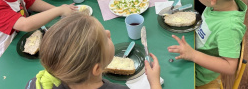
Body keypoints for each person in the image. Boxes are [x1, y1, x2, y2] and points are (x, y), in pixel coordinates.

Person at [168, 0, 247, 88]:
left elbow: (229, 67)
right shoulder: (220, 4)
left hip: (199, 75)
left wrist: (193, 55)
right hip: (194, 50)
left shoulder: (229, 28)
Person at [25, 12, 162, 89]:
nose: (108, 32)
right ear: (96, 69)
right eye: (104, 37)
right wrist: (154, 82)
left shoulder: (38, 84)